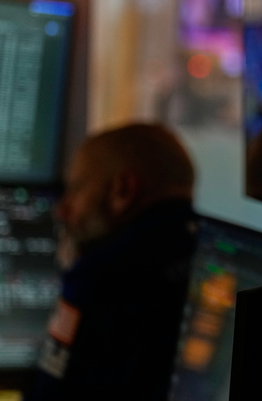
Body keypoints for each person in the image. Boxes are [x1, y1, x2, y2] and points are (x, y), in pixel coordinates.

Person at [26, 123, 199, 401]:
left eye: (76, 189)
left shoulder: (99, 275)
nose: (62, 210)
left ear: (123, 189)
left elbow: (50, 395)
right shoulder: (211, 257)